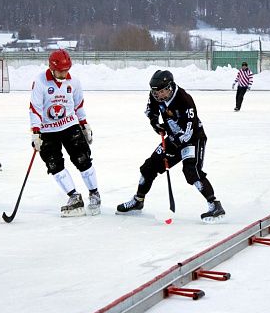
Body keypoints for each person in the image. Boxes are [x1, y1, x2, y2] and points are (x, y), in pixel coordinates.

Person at [116, 70, 225, 223]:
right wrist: (155, 124)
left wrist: (173, 149)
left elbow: (188, 131)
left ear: (169, 88)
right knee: (149, 167)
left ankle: (214, 205)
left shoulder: (184, 100)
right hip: (173, 137)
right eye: (155, 92)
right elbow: (151, 111)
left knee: (191, 171)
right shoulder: (155, 95)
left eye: (160, 92)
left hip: (193, 138)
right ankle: (138, 200)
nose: (157, 96)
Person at [29, 49, 100, 217]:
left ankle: (94, 193)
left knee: (82, 159)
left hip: (70, 125)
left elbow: (78, 105)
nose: (64, 73)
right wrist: (36, 132)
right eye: (61, 70)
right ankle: (74, 197)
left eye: (67, 70)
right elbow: (35, 108)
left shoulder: (74, 82)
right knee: (54, 165)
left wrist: (84, 124)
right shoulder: (40, 82)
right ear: (51, 67)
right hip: (47, 130)